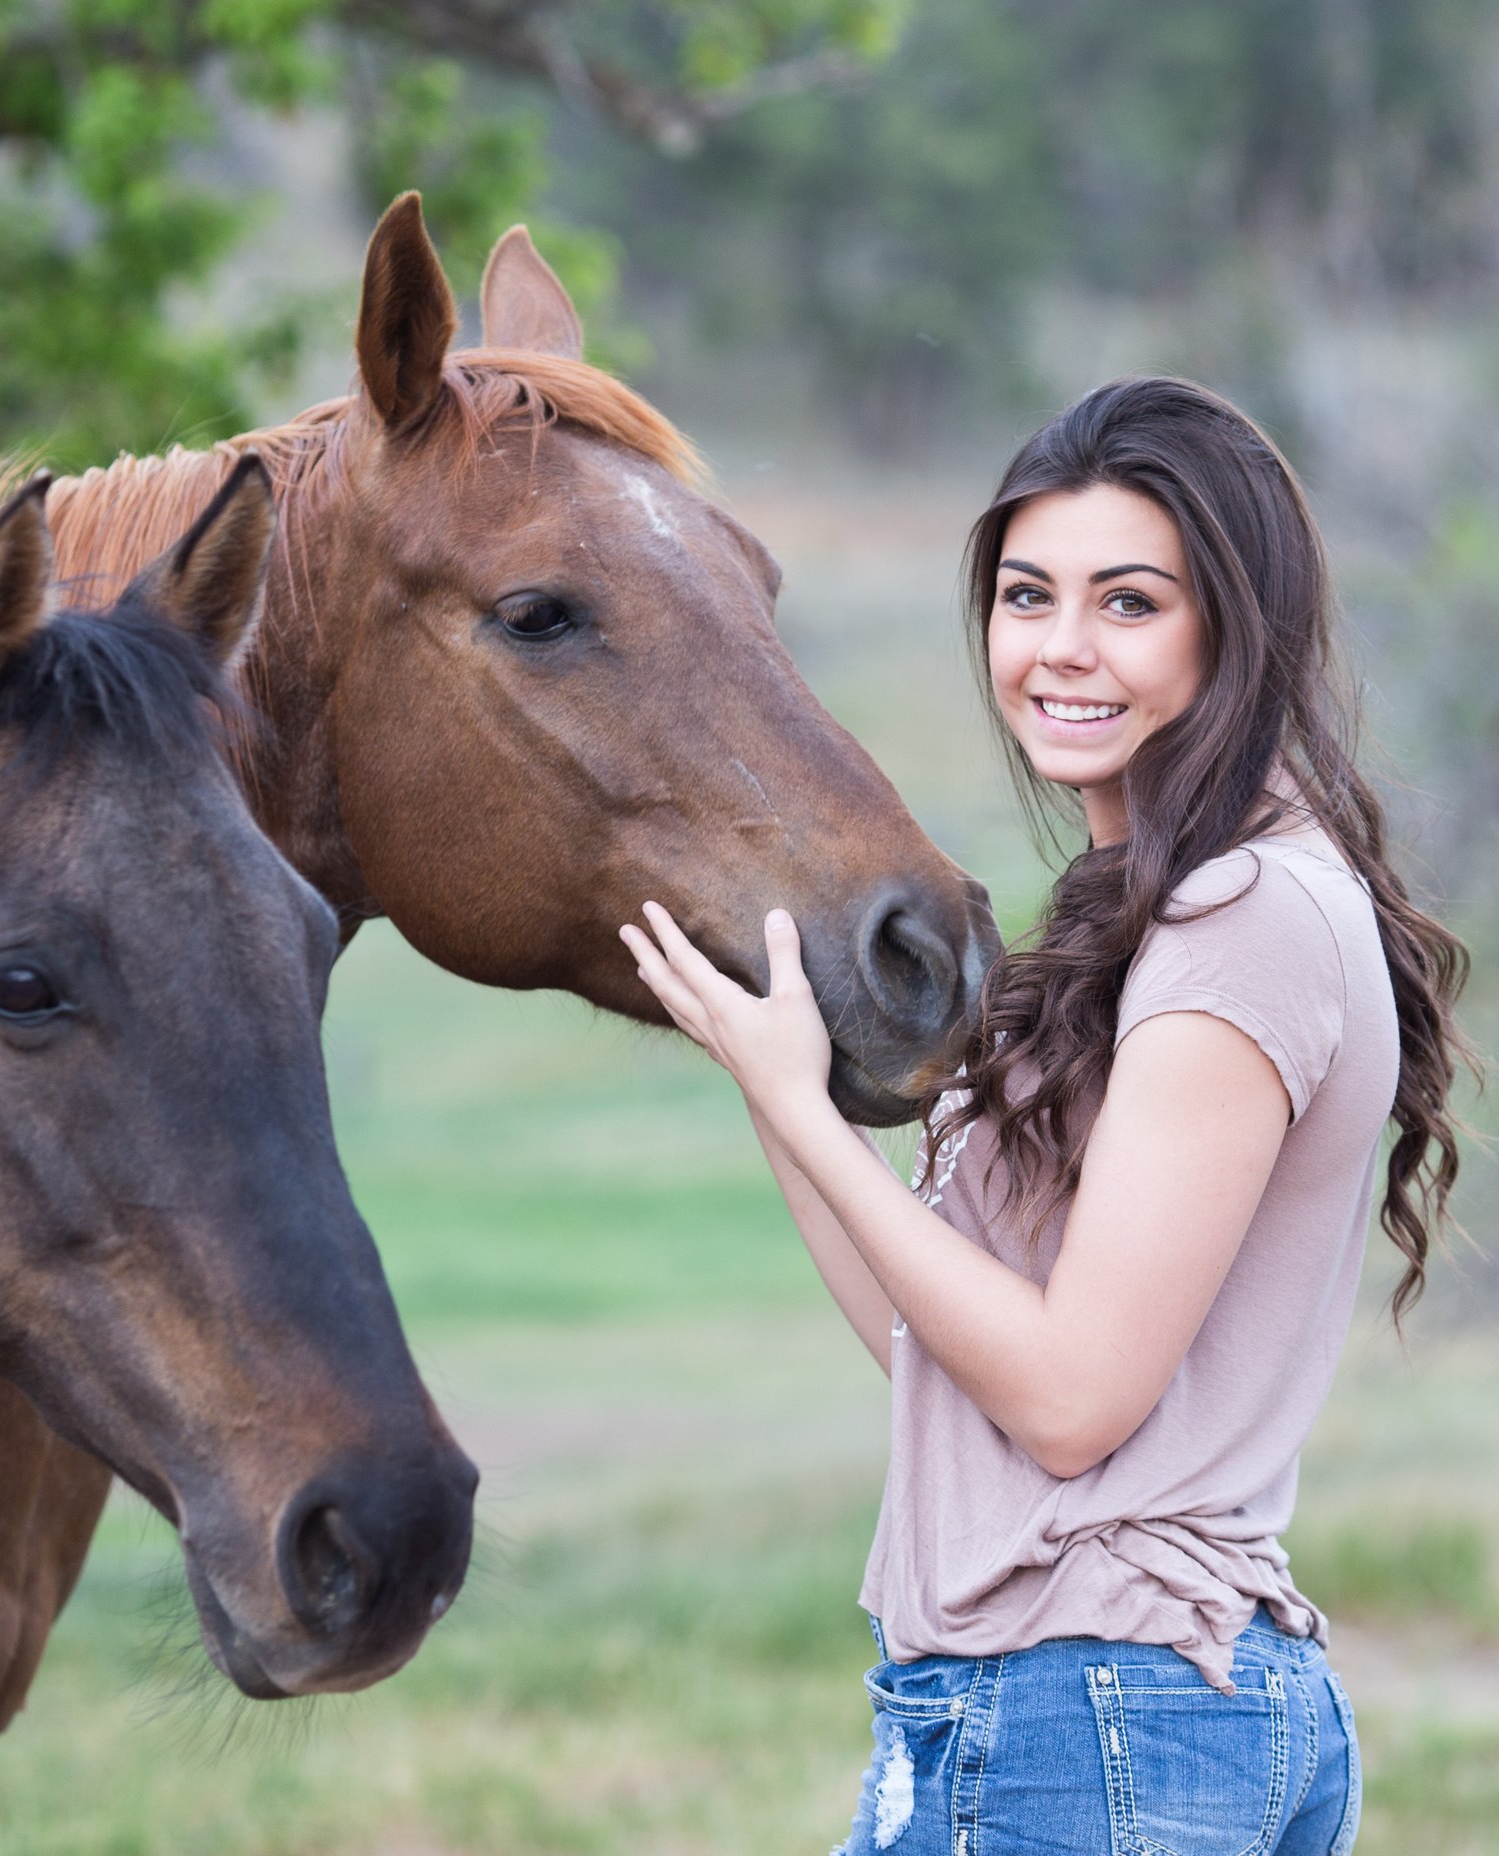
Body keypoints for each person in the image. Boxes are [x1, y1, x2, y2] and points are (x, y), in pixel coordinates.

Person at [622, 376, 1469, 1854]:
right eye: (1027, 596)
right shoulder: (1164, 906)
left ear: (1233, 627)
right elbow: (931, 1352)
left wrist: (799, 1111)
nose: (1061, 651)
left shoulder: (1243, 914)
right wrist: (779, 1081)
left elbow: (1072, 1403)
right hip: (1095, 1720)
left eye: (1129, 603)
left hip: (1097, 1724)